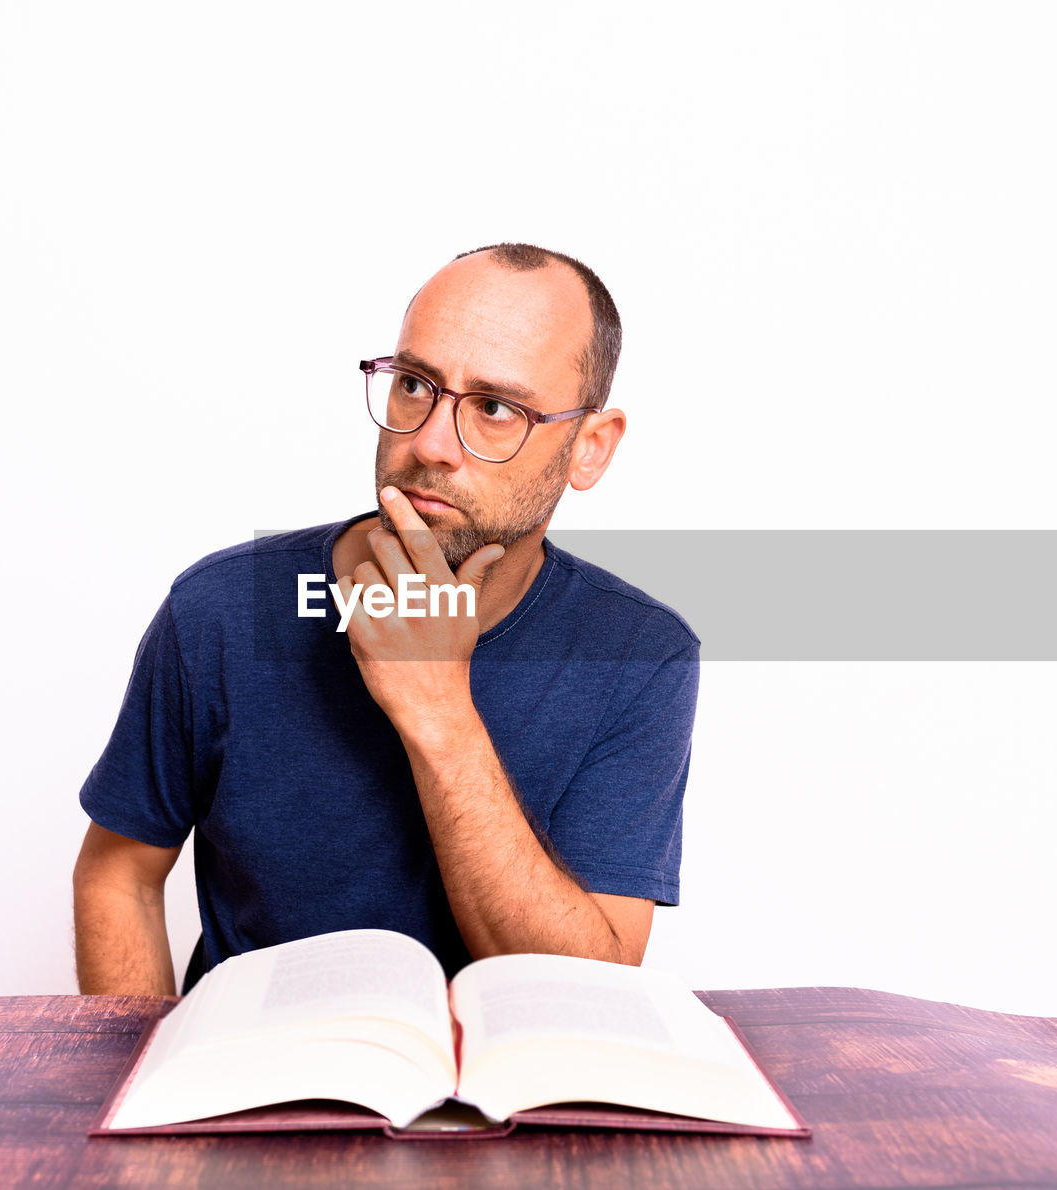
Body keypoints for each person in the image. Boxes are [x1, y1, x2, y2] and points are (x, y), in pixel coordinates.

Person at [73, 243, 700, 995]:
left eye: (495, 408)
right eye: (413, 385)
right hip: (255, 1088)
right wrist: (156, 1089)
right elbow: (120, 874)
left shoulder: (638, 655)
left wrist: (439, 712)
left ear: (588, 448)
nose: (430, 444)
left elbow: (587, 988)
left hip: (513, 1102)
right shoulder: (220, 612)